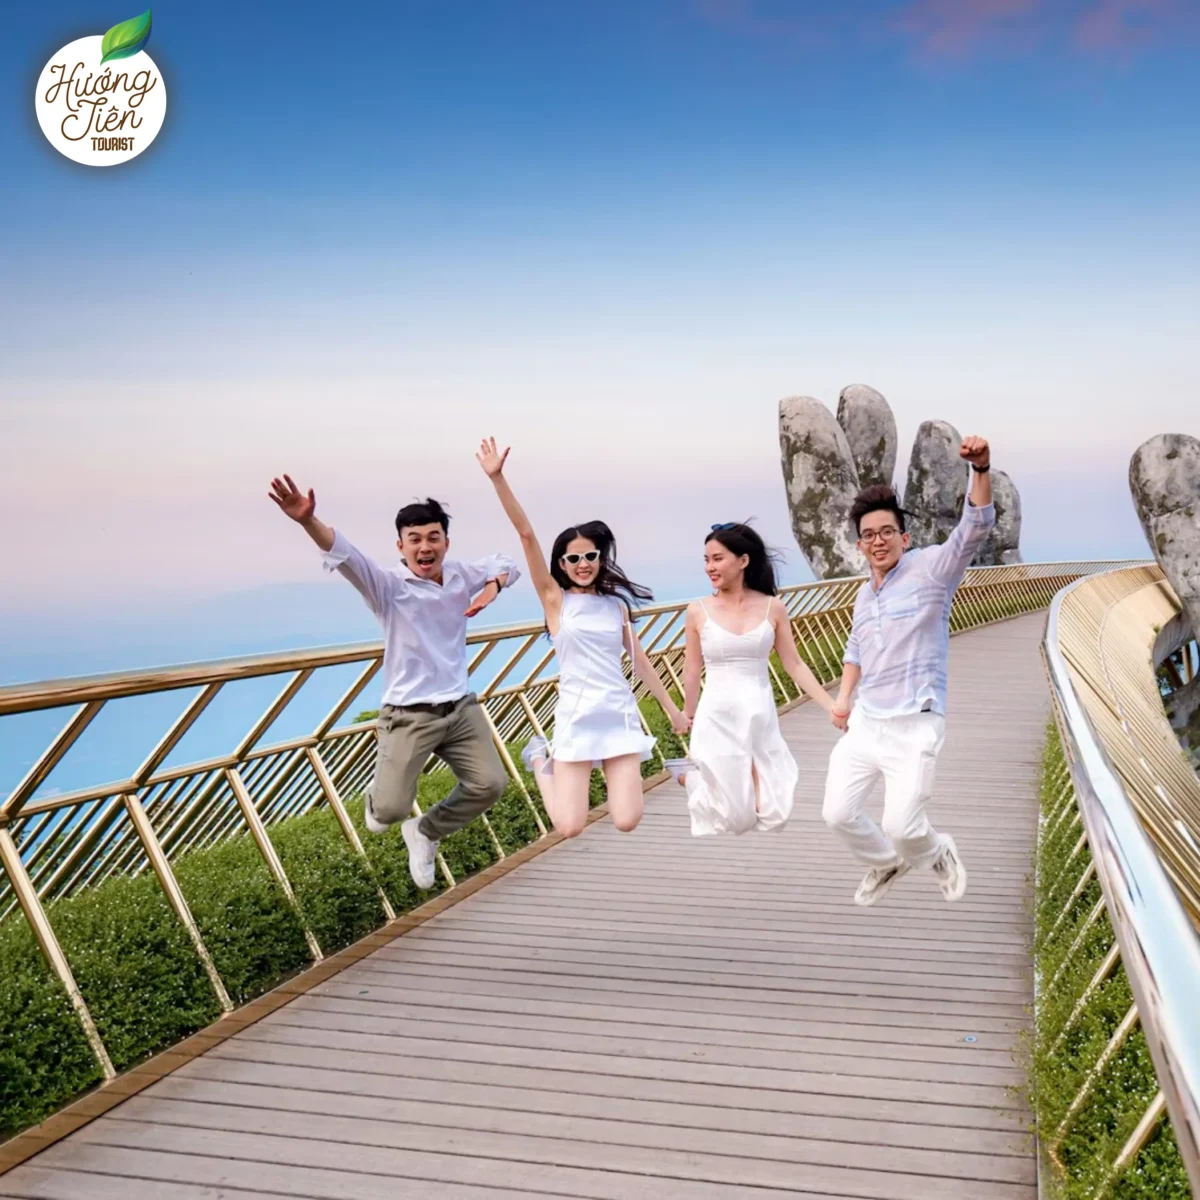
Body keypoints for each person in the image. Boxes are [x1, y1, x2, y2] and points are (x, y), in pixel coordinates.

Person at [268, 475, 520, 890]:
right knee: (387, 813)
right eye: (415, 539)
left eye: (434, 538)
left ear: (446, 542)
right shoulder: (387, 586)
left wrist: (493, 586)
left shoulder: (459, 574)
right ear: (400, 546)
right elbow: (345, 554)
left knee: (491, 784)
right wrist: (307, 521)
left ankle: (426, 831)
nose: (425, 547)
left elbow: (505, 563)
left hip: (460, 708)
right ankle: (382, 802)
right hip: (408, 715)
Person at [475, 437, 689, 838]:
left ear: (600, 559)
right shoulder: (555, 601)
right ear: (562, 564)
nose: (583, 564)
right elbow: (525, 535)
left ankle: (548, 760)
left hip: (617, 713)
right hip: (577, 716)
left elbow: (640, 662)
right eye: (573, 558)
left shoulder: (616, 607)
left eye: (590, 556)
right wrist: (498, 478)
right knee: (569, 826)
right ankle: (540, 759)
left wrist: (672, 710)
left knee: (627, 819)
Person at [822, 435, 995, 907]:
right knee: (836, 813)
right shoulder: (864, 593)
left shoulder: (931, 571)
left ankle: (937, 852)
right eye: (869, 535)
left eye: (886, 532)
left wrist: (979, 470)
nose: (878, 541)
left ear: (905, 537)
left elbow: (973, 530)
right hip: (866, 721)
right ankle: (885, 861)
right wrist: (843, 697)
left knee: (903, 825)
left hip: (915, 721)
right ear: (860, 545)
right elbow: (857, 646)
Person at [668, 522, 837, 836]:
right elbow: (692, 669)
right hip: (715, 715)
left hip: (758, 715)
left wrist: (832, 706)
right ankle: (689, 777)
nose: (709, 567)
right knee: (736, 818)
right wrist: (686, 714)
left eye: (717, 559)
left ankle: (691, 778)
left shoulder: (774, 608)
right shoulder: (697, 611)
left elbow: (795, 664)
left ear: (743, 561)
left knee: (773, 813)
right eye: (706, 560)